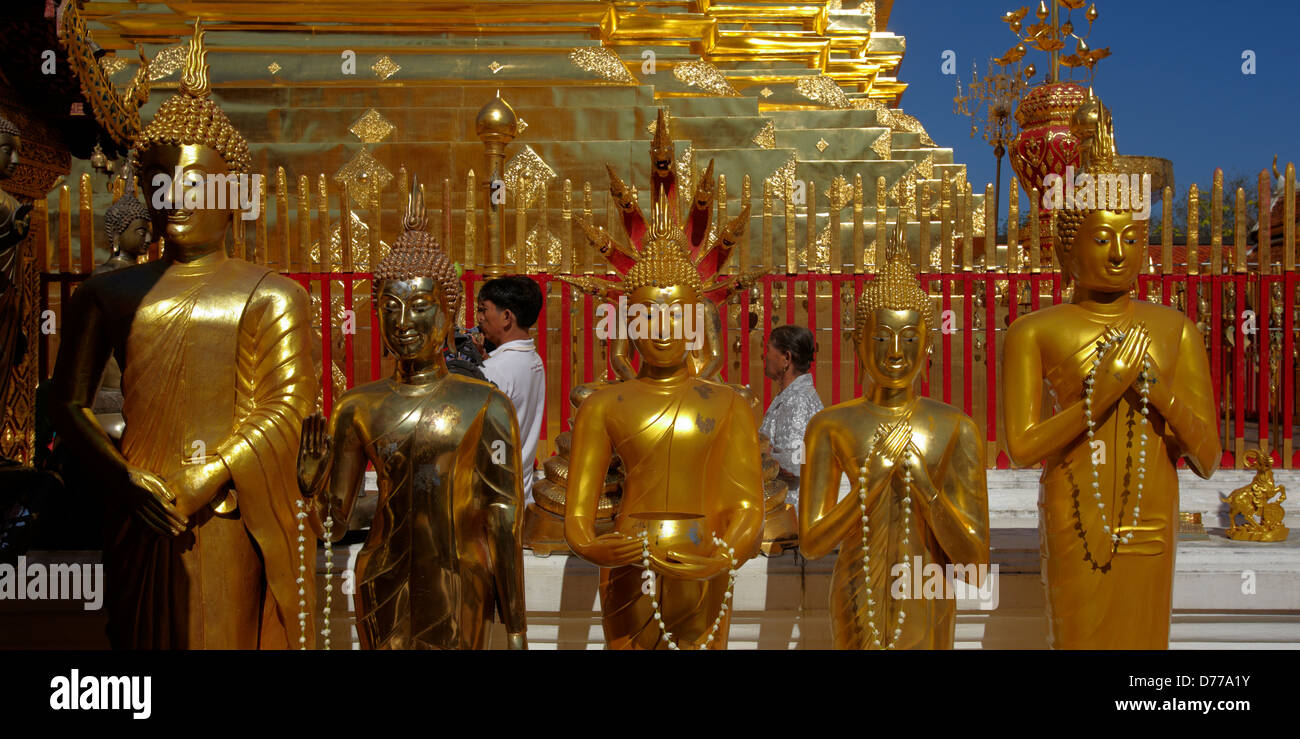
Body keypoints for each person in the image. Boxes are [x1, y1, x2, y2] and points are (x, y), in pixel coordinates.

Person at [48, 20, 317, 649]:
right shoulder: (107, 294)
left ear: (233, 195)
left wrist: (212, 474)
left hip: (225, 511)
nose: (175, 197)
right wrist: (124, 481)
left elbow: (286, 409)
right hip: (138, 507)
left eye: (196, 184)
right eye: (160, 183)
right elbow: (66, 403)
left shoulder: (272, 294)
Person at [297, 184, 527, 650]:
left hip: (459, 578)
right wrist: (310, 490)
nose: (403, 321)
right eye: (390, 307)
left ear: (448, 314)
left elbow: (503, 515)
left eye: (421, 307)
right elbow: (334, 525)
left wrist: (517, 624)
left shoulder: (485, 404)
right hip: (381, 576)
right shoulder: (357, 407)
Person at [800, 226, 989, 650]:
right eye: (881, 338)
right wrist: (870, 485)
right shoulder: (830, 426)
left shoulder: (956, 427)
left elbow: (976, 562)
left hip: (929, 597)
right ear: (857, 342)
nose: (896, 353)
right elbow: (812, 543)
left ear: (929, 345)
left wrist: (925, 487)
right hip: (856, 596)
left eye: (909, 338)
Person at [473, 275, 545, 504]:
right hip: (519, 492)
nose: (479, 318)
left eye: (484, 310)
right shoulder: (534, 360)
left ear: (506, 317)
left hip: (492, 498)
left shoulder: (495, 371)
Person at [759, 325, 822, 507]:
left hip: (791, 513)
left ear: (786, 358)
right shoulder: (789, 397)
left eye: (768, 350)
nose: (764, 356)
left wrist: (761, 452)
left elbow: (796, 463)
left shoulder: (799, 401)